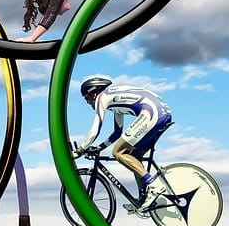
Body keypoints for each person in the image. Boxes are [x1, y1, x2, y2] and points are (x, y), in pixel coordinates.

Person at [73, 77, 174, 215]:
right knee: (133, 156)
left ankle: (154, 185)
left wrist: (79, 150)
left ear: (93, 93)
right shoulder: (114, 100)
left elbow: (95, 130)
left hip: (152, 113)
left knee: (118, 152)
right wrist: (100, 147)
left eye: (86, 98)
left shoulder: (102, 98)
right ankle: (144, 198)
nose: (87, 102)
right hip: (161, 113)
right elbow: (117, 132)